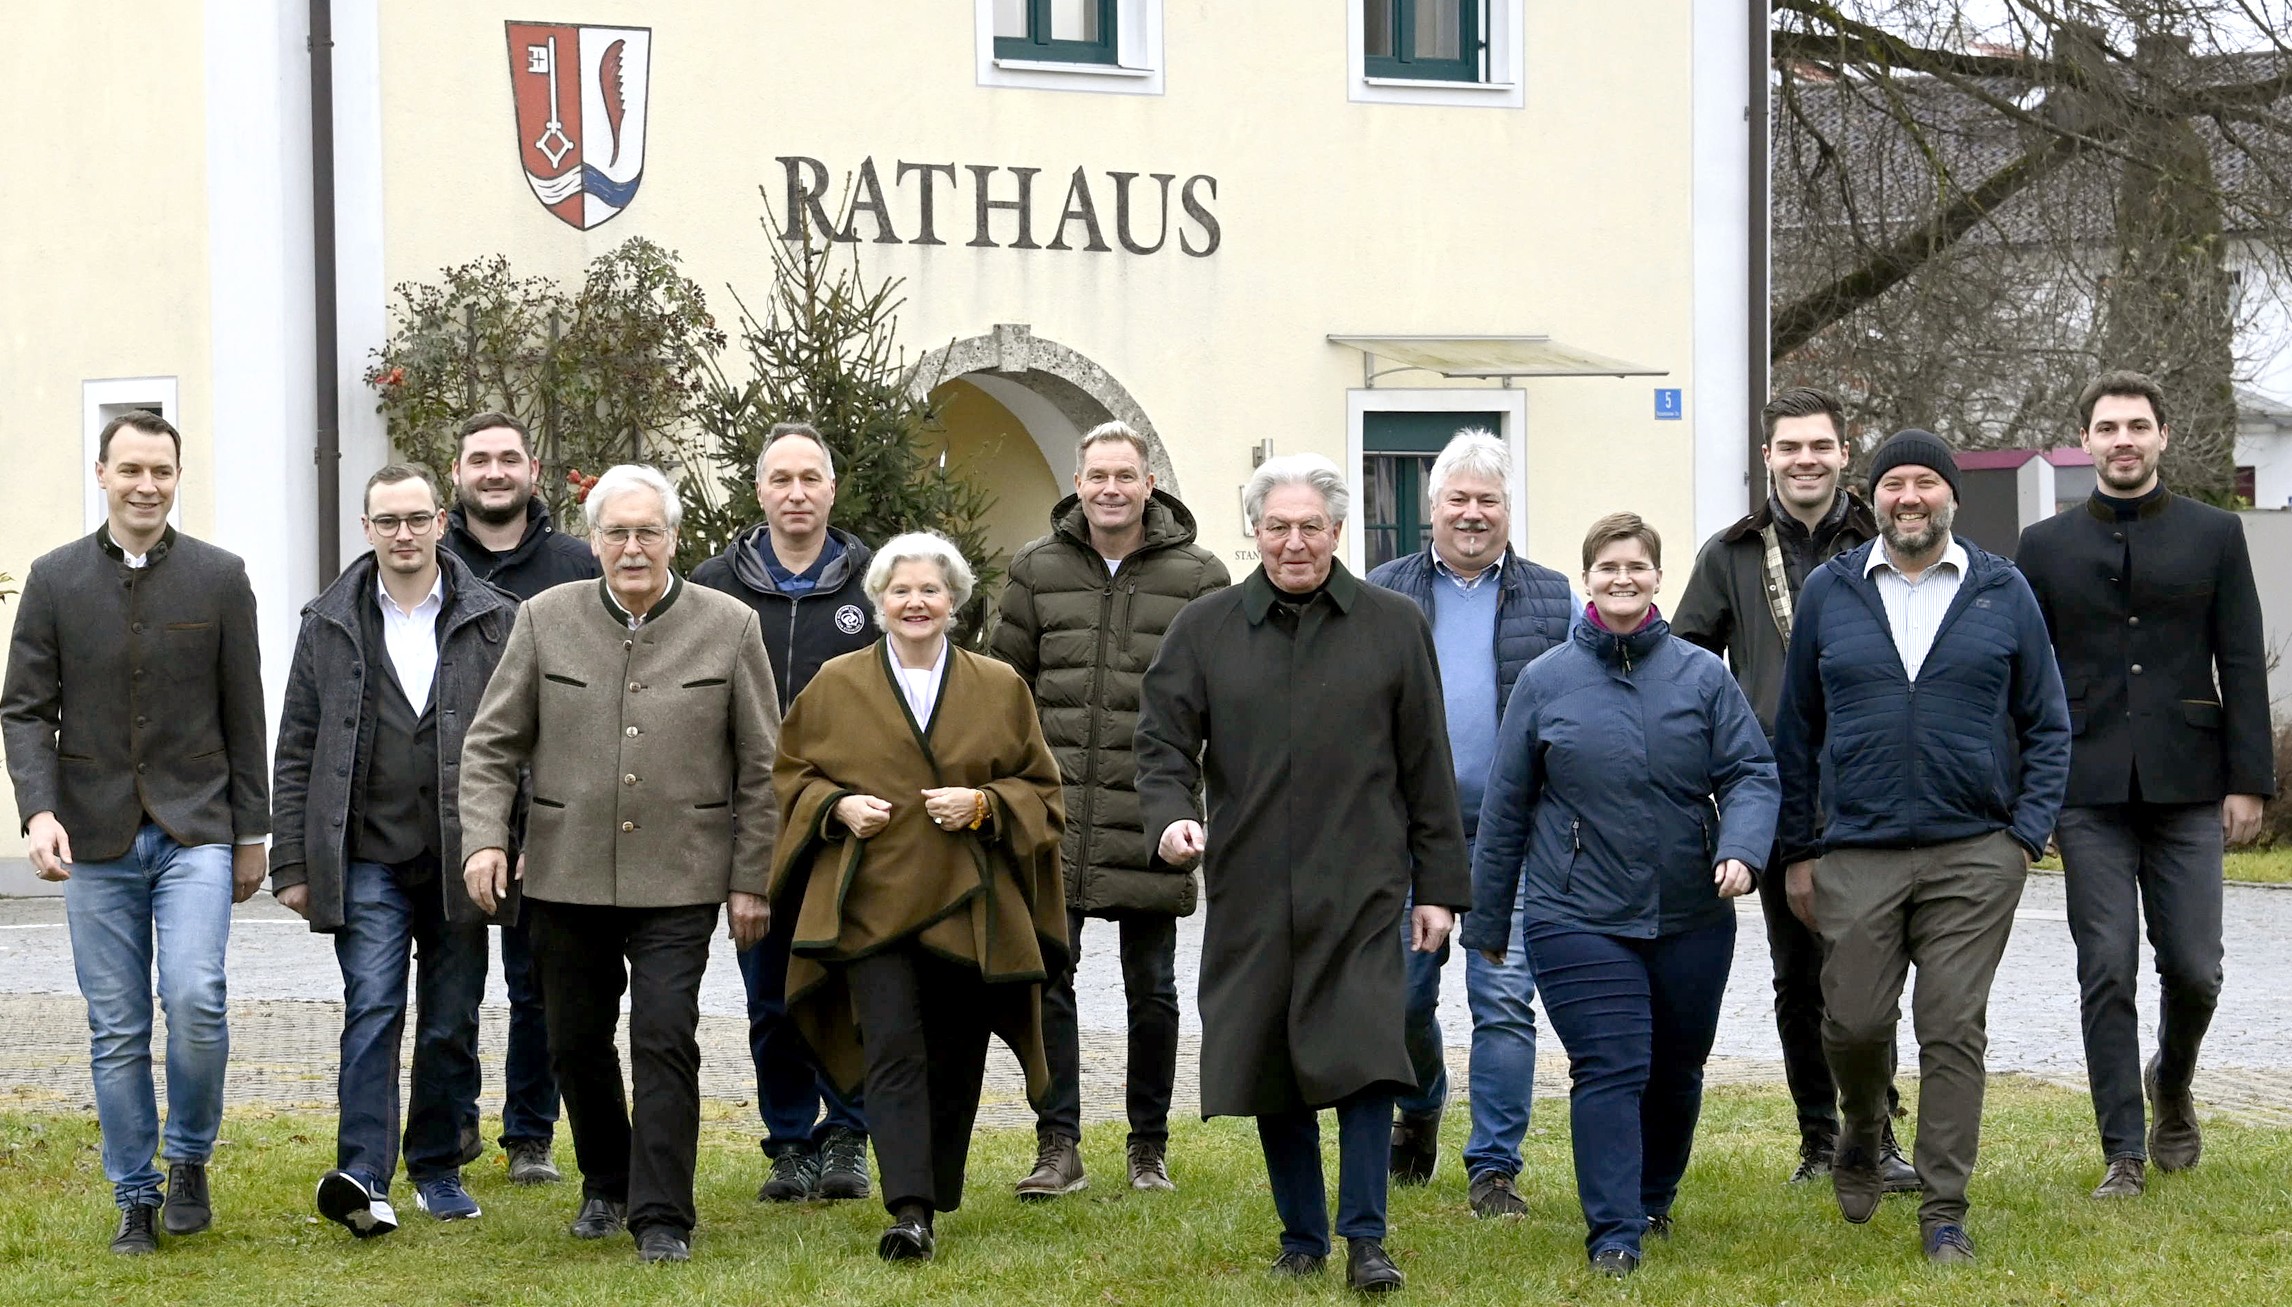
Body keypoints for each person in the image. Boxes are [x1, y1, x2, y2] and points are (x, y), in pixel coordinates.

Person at [1136, 453, 1467, 1294]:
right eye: (1277, 527)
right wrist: (1171, 815)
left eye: (1310, 527)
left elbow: (1428, 764)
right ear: (1254, 532)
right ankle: (1301, 1234)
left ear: (1338, 531)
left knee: (1363, 1052)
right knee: (1270, 1056)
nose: (1294, 543)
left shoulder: (1394, 625)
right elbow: (1163, 744)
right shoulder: (1205, 628)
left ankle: (1366, 1238)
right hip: (1249, 886)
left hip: (1362, 885)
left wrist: (1439, 888)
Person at [459, 464, 780, 1264]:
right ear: (594, 539)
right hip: (565, 871)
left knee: (664, 1033)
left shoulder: (730, 625)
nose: (632, 547)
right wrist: (485, 837)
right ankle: (607, 1177)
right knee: (573, 1039)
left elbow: (763, 766)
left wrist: (751, 877)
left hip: (681, 871)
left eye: (648, 532)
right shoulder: (544, 618)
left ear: (674, 538)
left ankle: (663, 1212)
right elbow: (492, 745)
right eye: (617, 532)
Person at [1775, 429, 2070, 1266]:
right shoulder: (1832, 593)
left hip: (1975, 851)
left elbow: (2048, 723)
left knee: (1952, 1026)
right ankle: (1863, 1126)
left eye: (1927, 483)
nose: (1911, 497)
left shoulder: (2002, 590)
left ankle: (1944, 1209)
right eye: (1895, 483)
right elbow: (1795, 733)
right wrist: (1800, 848)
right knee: (1855, 1020)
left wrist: (2023, 835)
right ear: (1875, 498)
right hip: (1857, 848)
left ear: (1952, 496)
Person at [1465, 512, 1777, 1278]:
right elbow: (1506, 805)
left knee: (1677, 1065)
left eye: (1636, 566)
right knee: (1611, 1063)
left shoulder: (1703, 676)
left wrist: (1741, 849)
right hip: (1577, 912)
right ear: (1588, 580)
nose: (1622, 578)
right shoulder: (1546, 681)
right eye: (1607, 567)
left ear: (1657, 577)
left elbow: (1750, 773)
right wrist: (1489, 918)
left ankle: (1652, 1195)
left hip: (1692, 912)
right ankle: (1613, 1231)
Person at [2, 411, 269, 1254]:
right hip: (92, 835)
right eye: (131, 471)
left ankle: (189, 1156)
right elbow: (23, 708)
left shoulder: (221, 577)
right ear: (103, 473)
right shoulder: (53, 579)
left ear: (178, 476)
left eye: (161, 470)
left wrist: (253, 831)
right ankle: (136, 1194)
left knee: (194, 998)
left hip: (197, 827)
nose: (146, 485)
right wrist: (39, 811)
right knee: (115, 1024)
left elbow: (245, 713)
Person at [768, 532, 1067, 1263]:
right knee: (894, 1044)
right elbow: (789, 775)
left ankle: (931, 1187)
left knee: (956, 1057)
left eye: (930, 589)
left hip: (968, 902)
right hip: (873, 900)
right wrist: (836, 807)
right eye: (900, 589)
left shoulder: (999, 686)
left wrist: (985, 803)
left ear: (955, 602)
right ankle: (908, 1208)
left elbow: (1044, 792)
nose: (915, 602)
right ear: (878, 601)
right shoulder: (836, 683)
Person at [2016, 371, 2277, 1198]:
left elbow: (2240, 656)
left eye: (2136, 425)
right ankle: (2123, 1149)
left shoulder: (2214, 535)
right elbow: (2026, 679)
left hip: (2190, 782)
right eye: (2106, 427)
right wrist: (2034, 793)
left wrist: (2249, 780)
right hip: (2085, 788)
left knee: (2196, 968)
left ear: (2162, 435)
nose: (2122, 439)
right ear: (2084, 442)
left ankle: (2173, 1083)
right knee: (2107, 965)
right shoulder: (2045, 547)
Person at [1671, 387, 1917, 1191]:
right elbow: (1685, 667)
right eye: (1789, 447)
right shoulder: (1730, 554)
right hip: (1779, 793)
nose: (1805, 459)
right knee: (1797, 974)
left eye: (1821, 445)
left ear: (1846, 453)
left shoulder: (1888, 539)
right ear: (1768, 457)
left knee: (1873, 968)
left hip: (1881, 788)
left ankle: (1875, 1133)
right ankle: (1821, 1137)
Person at [270, 464, 516, 1236]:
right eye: (388, 521)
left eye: (417, 519)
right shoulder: (328, 621)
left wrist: (514, 840)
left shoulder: (495, 618)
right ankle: (364, 1175)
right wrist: (291, 862)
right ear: (368, 529)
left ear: (443, 522)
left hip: (463, 853)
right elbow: (298, 745)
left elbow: (524, 742)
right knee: (372, 1005)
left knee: (450, 1018)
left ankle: (438, 1165)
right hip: (365, 853)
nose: (403, 534)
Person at [993, 421, 1229, 1199]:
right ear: (1078, 480)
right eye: (1097, 475)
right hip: (1052, 816)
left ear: (1148, 483)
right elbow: (1003, 689)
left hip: (1150, 813)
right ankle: (1057, 1143)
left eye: (1125, 475)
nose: (1110, 489)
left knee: (1153, 989)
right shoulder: (1034, 568)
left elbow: (1219, 700)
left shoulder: (1199, 577)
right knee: (1047, 980)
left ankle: (1148, 1147)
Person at [1364, 428, 1570, 1218]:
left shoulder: (1553, 598)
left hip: (1509, 840)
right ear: (1434, 508)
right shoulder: (1384, 589)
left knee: (1504, 999)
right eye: (1459, 499)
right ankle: (1420, 1109)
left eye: (1489, 500)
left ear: (1509, 510)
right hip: (1407, 840)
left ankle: (1494, 1168)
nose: (1473, 514)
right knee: (1404, 999)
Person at [692, 422, 877, 1204]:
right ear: (759, 490)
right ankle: (790, 1141)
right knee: (769, 992)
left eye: (811, 478)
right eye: (781, 479)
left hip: (856, 826)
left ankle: (849, 1135)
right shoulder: (712, 584)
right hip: (756, 827)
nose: (796, 493)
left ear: (832, 489)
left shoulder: (878, 580)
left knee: (850, 984)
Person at [436, 410, 600, 1186]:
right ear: (457, 475)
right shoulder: (426, 563)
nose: (494, 471)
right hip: (452, 802)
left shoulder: (576, 564)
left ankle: (530, 1132)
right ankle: (456, 1117)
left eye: (508, 458)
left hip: (554, 801)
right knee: (455, 976)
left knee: (540, 980)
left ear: (533, 472)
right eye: (479, 459)